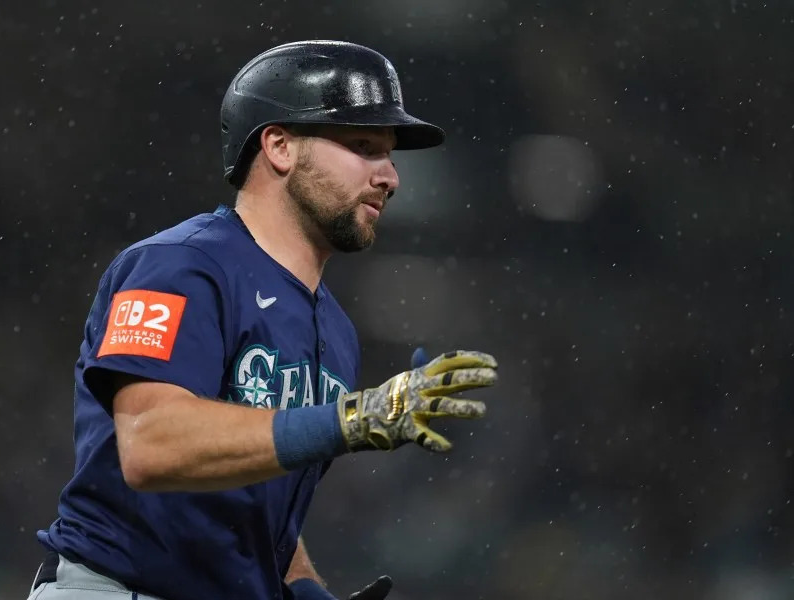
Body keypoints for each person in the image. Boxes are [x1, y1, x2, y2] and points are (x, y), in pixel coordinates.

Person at [26, 39, 499, 600]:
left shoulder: (338, 332)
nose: (390, 176)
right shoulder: (182, 266)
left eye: (390, 155)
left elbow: (252, 508)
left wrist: (305, 592)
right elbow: (150, 444)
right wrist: (346, 421)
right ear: (278, 146)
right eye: (363, 145)